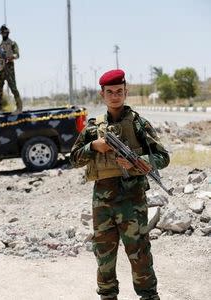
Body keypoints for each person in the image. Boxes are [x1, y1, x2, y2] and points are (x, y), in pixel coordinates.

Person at [70, 69, 170, 300]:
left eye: (119, 91)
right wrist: (94, 147)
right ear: (102, 95)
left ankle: (148, 296)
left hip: (132, 201)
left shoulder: (138, 124)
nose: (115, 96)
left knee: (139, 253)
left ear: (126, 92)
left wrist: (140, 162)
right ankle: (107, 296)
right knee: (103, 254)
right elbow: (73, 159)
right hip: (103, 202)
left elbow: (162, 157)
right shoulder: (94, 127)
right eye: (110, 92)